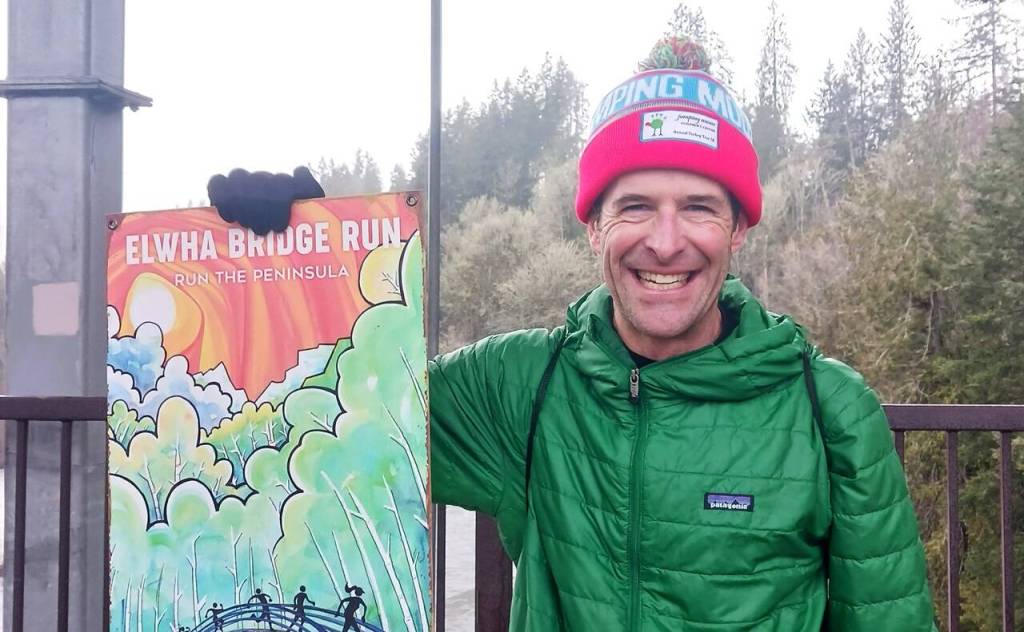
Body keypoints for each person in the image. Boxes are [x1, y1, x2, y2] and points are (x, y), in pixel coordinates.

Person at [208, 37, 936, 632]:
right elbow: (334, 418)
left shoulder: (831, 412)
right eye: (635, 206)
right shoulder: (523, 386)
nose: (665, 242)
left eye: (699, 208)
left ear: (739, 228)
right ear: (592, 227)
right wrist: (306, 269)